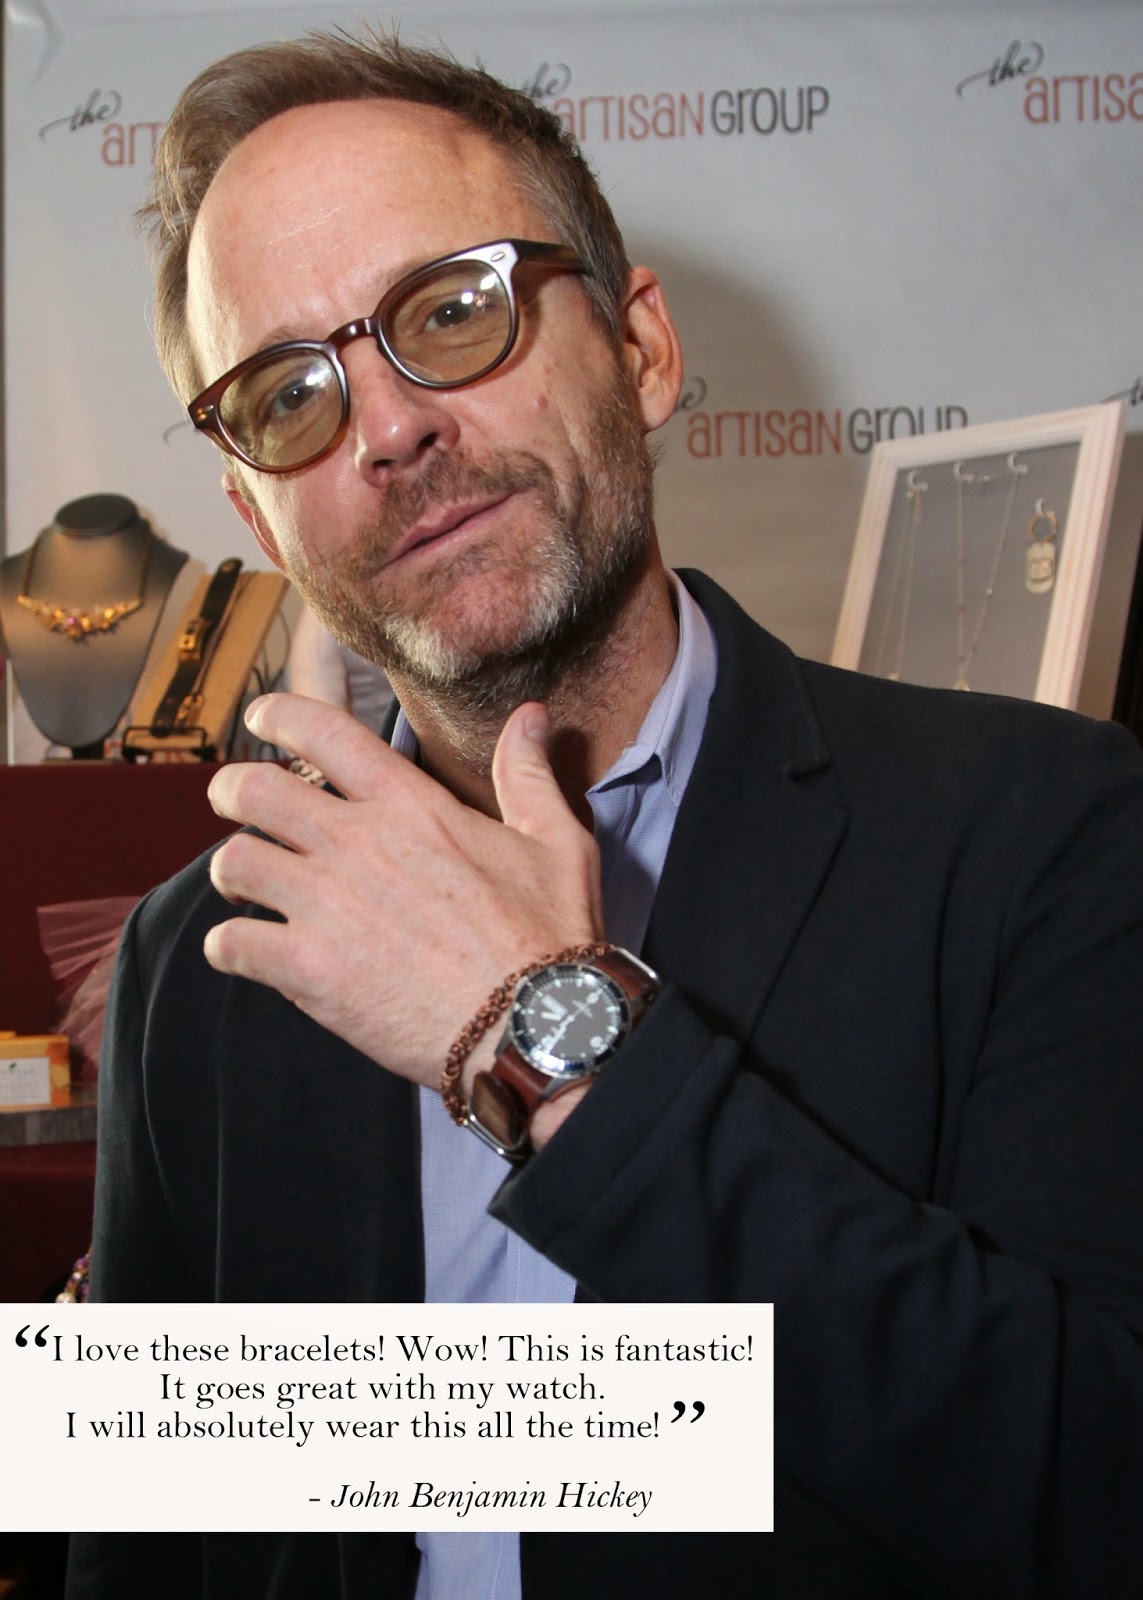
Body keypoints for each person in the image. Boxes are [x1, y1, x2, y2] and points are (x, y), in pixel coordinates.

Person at [67, 27, 1143, 1600]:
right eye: (290, 394)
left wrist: (539, 1033)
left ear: (640, 350)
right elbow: (154, 1545)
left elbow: (1098, 1494)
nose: (389, 430)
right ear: (258, 516)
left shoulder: (1045, 833)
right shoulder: (206, 954)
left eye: (453, 310)